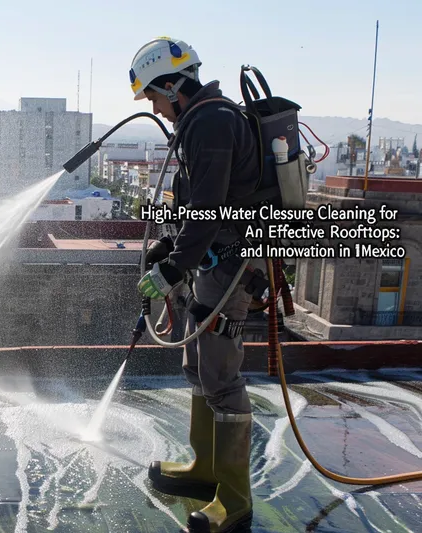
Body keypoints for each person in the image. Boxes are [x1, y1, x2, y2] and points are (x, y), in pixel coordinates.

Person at [130, 37, 262, 533]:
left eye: (154, 98)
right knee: (197, 365)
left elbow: (208, 209)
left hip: (229, 266)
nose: (155, 109)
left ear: (172, 85)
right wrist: (172, 249)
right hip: (210, 261)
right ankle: (205, 469)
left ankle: (234, 498)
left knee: (222, 377)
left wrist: (170, 268)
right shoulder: (199, 120)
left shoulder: (210, 122)